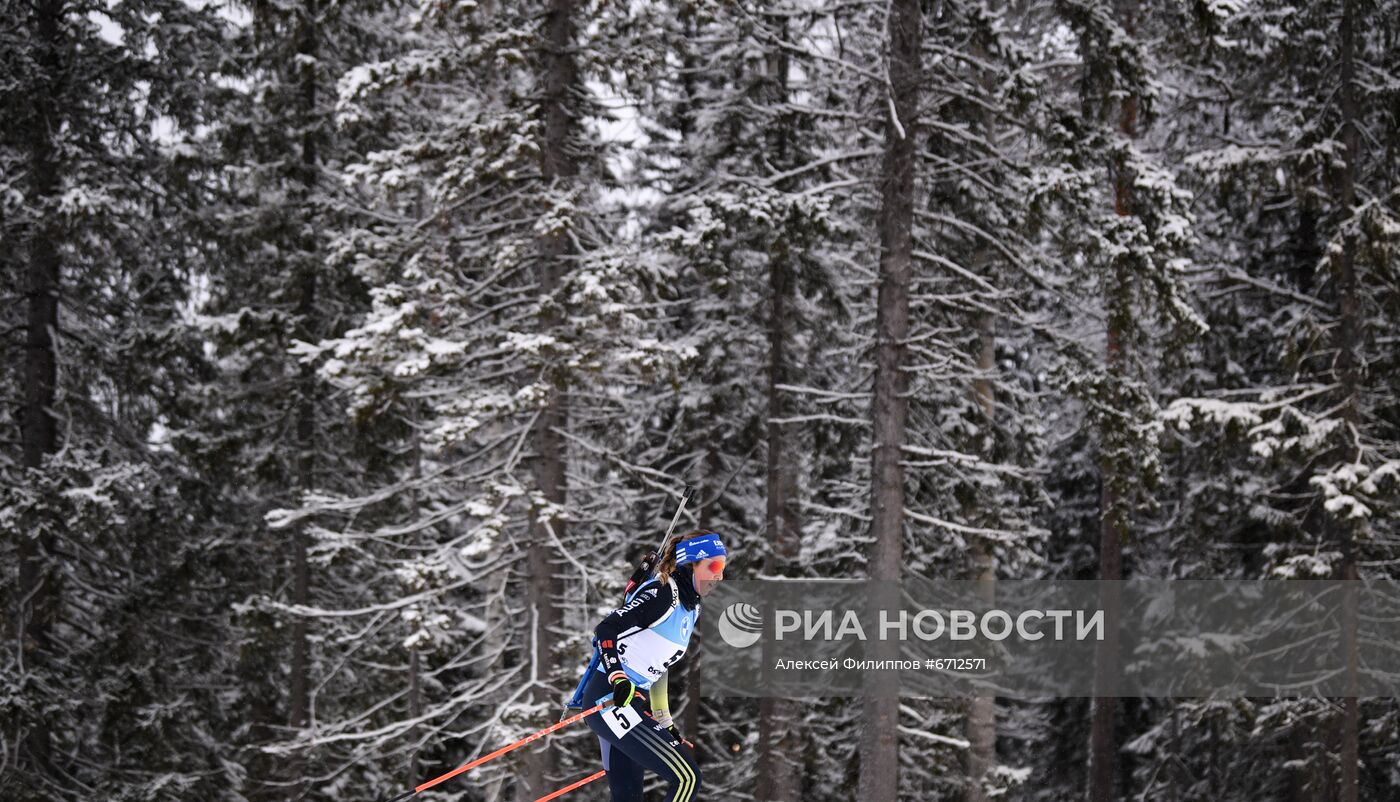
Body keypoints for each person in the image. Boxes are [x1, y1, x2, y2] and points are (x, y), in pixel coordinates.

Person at [582, 530, 728, 802]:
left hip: (633, 702)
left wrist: (664, 719)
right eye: (715, 566)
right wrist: (618, 677)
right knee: (687, 777)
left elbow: (657, 666)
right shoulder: (663, 593)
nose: (719, 575)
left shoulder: (690, 608)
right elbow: (606, 629)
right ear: (692, 563)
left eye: (723, 567)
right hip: (610, 698)